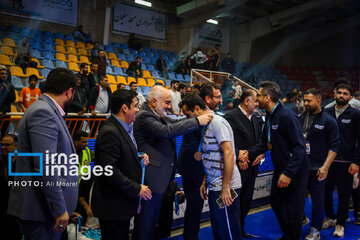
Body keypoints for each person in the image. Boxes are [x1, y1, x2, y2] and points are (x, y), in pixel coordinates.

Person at [132, 85, 214, 240]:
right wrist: (197, 120)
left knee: (150, 225)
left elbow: (174, 124)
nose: (170, 106)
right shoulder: (144, 116)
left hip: (159, 181)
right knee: (145, 226)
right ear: (154, 102)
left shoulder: (157, 116)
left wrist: (195, 117)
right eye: (167, 102)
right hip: (151, 181)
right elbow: (167, 131)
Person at [7, 68, 78, 240]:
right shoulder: (44, 112)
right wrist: (60, 209)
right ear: (69, 92)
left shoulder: (47, 110)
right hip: (42, 212)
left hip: (44, 211)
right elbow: (46, 166)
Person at [241, 81, 309, 240]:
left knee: (293, 209)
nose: (257, 98)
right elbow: (265, 142)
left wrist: (288, 173)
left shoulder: (287, 116)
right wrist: (246, 154)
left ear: (268, 97)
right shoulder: (270, 116)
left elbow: (300, 148)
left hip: (295, 171)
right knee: (276, 202)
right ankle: (289, 234)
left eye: (259, 95)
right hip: (281, 168)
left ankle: (292, 236)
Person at [180, 93, 242, 239]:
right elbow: (212, 155)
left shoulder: (217, 123)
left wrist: (226, 187)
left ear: (197, 108)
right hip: (215, 185)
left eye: (188, 115)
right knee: (219, 231)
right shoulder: (207, 124)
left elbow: (229, 153)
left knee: (228, 233)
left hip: (224, 187)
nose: (187, 120)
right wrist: (204, 181)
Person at [92, 89, 152, 240]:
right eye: (135, 106)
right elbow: (108, 171)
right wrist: (137, 188)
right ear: (125, 108)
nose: (138, 109)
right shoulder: (110, 131)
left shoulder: (123, 128)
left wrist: (138, 157)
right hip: (113, 206)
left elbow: (119, 157)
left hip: (121, 204)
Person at [178, 82, 222, 240]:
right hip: (194, 170)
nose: (220, 100)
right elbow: (214, 144)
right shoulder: (198, 119)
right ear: (207, 99)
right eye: (217, 97)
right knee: (195, 206)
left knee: (202, 206)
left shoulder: (212, 117)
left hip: (204, 169)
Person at [299, 88, 340, 240]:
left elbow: (335, 146)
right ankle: (300, 221)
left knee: (317, 201)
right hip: (302, 167)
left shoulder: (328, 120)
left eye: (309, 101)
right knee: (298, 198)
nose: (306, 103)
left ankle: (315, 230)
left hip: (318, 169)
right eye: (305, 100)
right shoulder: (301, 117)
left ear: (318, 101)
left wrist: (325, 166)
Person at [224, 89, 263, 238]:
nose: (258, 104)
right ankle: (232, 232)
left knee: (246, 203)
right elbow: (226, 143)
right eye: (256, 101)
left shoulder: (254, 117)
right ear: (247, 101)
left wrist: (260, 152)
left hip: (252, 167)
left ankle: (240, 230)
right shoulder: (230, 117)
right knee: (235, 204)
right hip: (237, 169)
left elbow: (260, 137)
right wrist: (239, 157)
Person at [322, 83, 360, 238]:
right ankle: (330, 217)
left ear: (350, 97)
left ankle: (340, 224)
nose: (341, 95)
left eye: (345, 93)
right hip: (327, 162)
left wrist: (357, 161)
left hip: (346, 162)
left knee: (344, 194)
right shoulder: (326, 112)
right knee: (325, 191)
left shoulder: (356, 114)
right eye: (339, 93)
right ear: (334, 94)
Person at [0, 135, 22, 240]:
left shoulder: (23, 164)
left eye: (7, 145)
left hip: (17, 209)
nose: (3, 147)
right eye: (2, 144)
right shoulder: (1, 162)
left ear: (16, 146)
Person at [72, 131, 94, 224]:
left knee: (81, 221)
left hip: (82, 192)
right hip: (70, 191)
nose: (87, 144)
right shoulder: (66, 153)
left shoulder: (88, 152)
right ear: (76, 142)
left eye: (87, 141)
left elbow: (102, 158)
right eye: (84, 142)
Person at [0, 65, 16, 137]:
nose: (4, 75)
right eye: (2, 73)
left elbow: (12, 99)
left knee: (4, 134)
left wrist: (7, 91)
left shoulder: (10, 86)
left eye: (5, 74)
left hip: (5, 113)